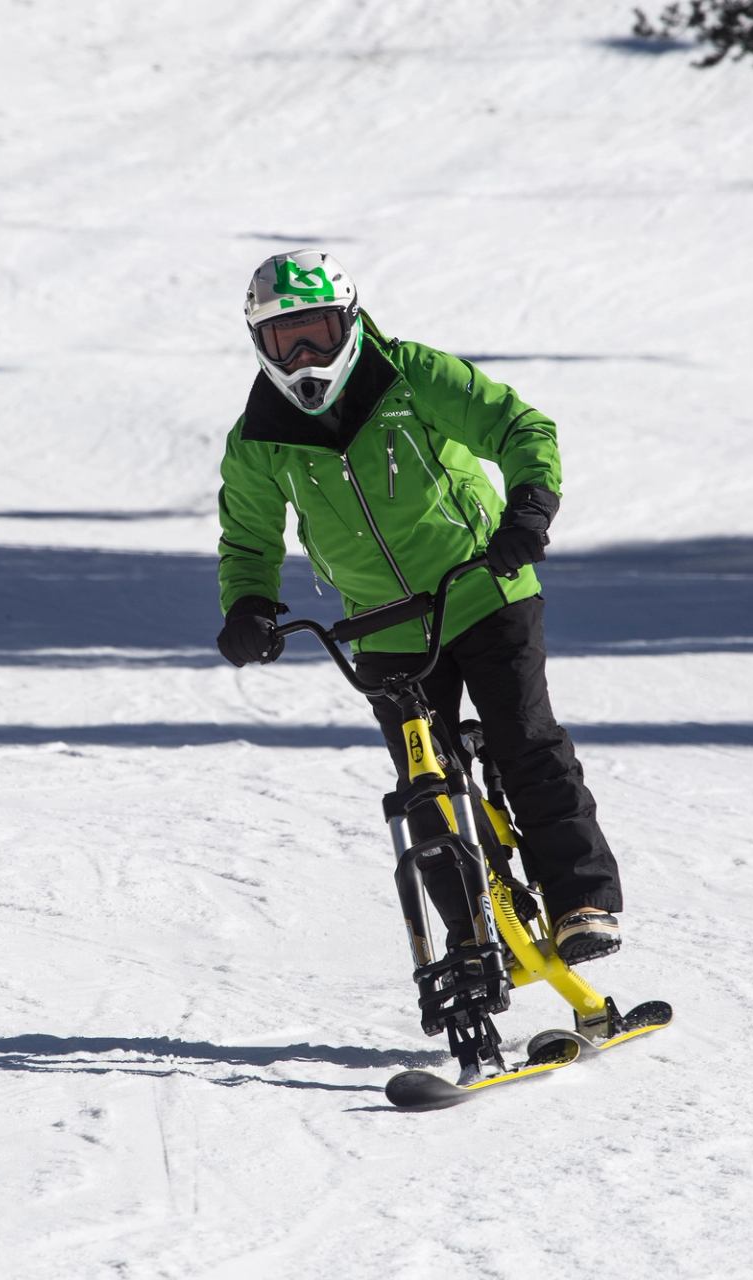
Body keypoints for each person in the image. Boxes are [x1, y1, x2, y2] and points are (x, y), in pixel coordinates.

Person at [213, 250, 623, 964]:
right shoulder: (258, 439)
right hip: (382, 627)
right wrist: (248, 603)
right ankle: (469, 934)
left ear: (350, 322)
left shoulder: (411, 374)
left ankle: (580, 901)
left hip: (483, 588)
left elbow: (519, 427)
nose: (306, 353)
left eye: (317, 331)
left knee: (525, 740)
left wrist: (527, 512)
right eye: (286, 338)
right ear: (260, 343)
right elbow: (247, 535)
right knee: (425, 787)